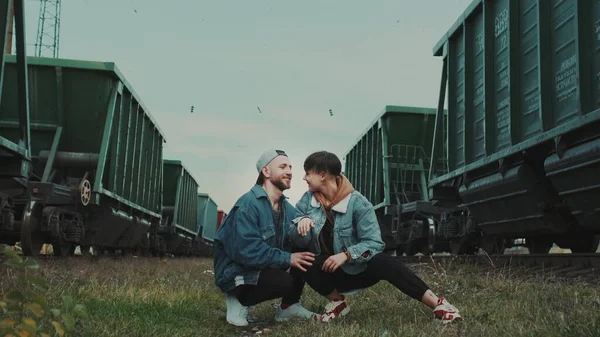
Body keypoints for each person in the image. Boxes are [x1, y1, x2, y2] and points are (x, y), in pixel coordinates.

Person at [288, 151, 462, 324]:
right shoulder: (306, 201)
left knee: (383, 261)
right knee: (300, 255)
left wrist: (346, 255)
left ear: (323, 175)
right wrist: (301, 224)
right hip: (327, 271)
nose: (304, 178)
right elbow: (296, 241)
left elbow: (374, 243)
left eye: (308, 173)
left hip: (356, 270)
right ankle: (337, 302)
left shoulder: (359, 203)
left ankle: (439, 304)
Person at [213, 149, 319, 327]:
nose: (290, 171)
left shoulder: (287, 208)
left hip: (262, 267)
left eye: (291, 167)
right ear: (266, 172)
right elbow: (247, 252)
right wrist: (287, 258)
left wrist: (305, 222)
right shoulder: (248, 205)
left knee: (305, 252)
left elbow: (302, 240)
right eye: (283, 166)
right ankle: (238, 299)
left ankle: (289, 306)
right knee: (284, 281)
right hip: (236, 273)